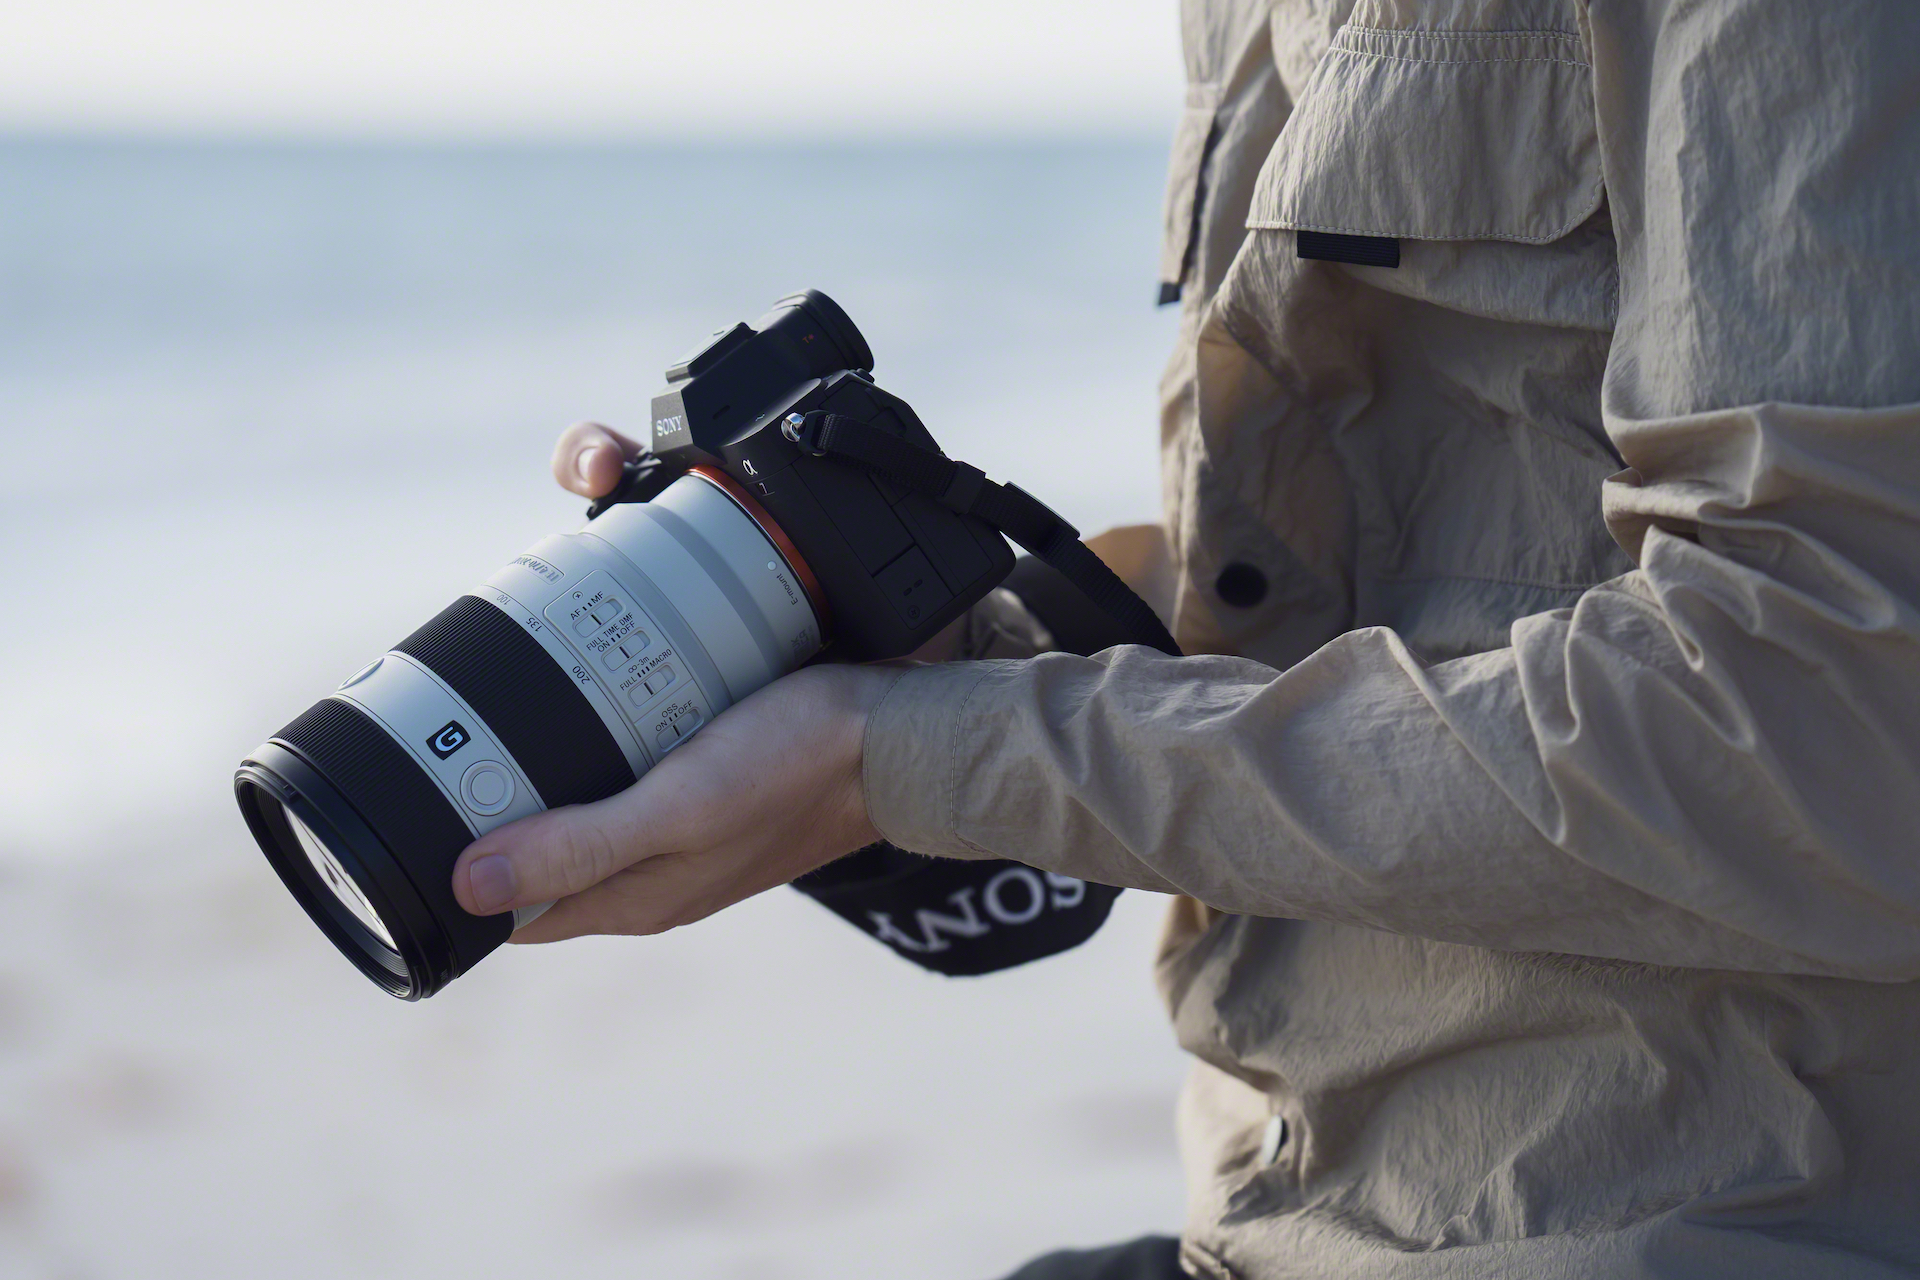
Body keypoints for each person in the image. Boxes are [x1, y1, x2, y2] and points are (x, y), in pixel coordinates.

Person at [449, 0, 1920, 1274]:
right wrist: (885, 644)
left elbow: (1827, 719)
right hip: (1289, 1199)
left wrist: (912, 758)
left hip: (1670, 1215)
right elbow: (1369, 583)